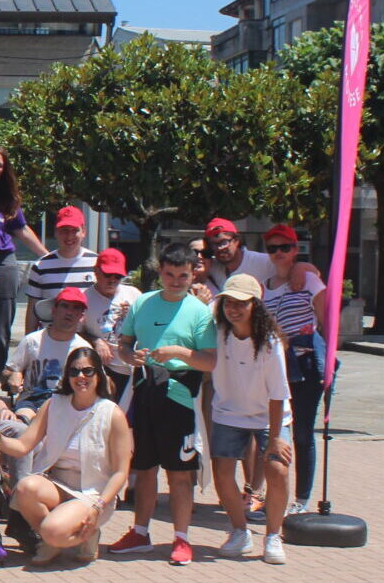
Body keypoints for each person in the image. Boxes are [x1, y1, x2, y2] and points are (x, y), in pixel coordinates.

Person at [109, 242, 218, 566]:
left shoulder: (199, 312)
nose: (175, 281)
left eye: (182, 275)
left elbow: (210, 361)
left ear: (191, 275)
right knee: (143, 469)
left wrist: (179, 353)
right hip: (145, 389)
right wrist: (132, 356)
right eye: (169, 274)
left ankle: (182, 538)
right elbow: (124, 345)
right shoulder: (142, 303)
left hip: (181, 395)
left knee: (180, 473)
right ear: (160, 273)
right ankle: (140, 532)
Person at [0, 347, 133, 565]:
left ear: (99, 374)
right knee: (25, 488)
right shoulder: (54, 404)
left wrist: (98, 507)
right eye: (74, 371)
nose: (80, 377)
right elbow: (23, 446)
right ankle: (55, 540)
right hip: (58, 483)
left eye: (88, 371)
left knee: (52, 530)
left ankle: (83, 534)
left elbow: (121, 472)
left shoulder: (112, 413)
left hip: (93, 492)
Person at [206, 274, 293, 565]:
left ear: (255, 305)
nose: (234, 309)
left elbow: (278, 393)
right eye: (229, 302)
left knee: (277, 469)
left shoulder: (270, 342)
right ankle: (240, 531)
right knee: (222, 472)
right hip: (229, 412)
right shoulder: (217, 330)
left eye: (241, 303)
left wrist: (277, 437)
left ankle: (272, 535)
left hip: (270, 417)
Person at [261, 224, 326, 516]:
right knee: (274, 432)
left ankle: (301, 498)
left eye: (284, 248)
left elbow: (325, 316)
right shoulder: (265, 287)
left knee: (302, 432)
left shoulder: (307, 278)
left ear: (295, 250)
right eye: (272, 248)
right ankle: (274, 494)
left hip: (306, 363)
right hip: (277, 366)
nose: (278, 254)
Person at [0, 146, 48, 381]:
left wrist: (47, 257)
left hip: (4, 260)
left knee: (0, 326)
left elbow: (22, 230)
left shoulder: (7, 199)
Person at [5, 287, 93, 420]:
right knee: (21, 423)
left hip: (67, 402)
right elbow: (7, 373)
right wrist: (14, 374)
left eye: (76, 308)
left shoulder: (84, 348)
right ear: (54, 310)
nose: (69, 312)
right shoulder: (32, 341)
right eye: (65, 306)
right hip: (31, 401)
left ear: (82, 316)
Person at [22, 206, 99, 333]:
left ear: (83, 231)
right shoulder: (41, 266)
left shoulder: (97, 263)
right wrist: (28, 341)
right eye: (64, 230)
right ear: (56, 232)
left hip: (87, 340)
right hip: (50, 339)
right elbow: (33, 309)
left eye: (74, 230)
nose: (69, 236)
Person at [82, 248, 140, 398]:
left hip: (134, 367)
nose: (112, 280)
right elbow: (76, 332)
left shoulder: (133, 294)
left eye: (118, 276)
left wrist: (133, 315)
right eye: (107, 274)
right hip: (106, 368)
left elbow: (147, 328)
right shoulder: (85, 298)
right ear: (96, 271)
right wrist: (96, 341)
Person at [204, 217, 273, 292]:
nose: (220, 248)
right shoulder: (213, 267)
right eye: (214, 244)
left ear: (236, 240)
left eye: (224, 242)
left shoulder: (264, 262)